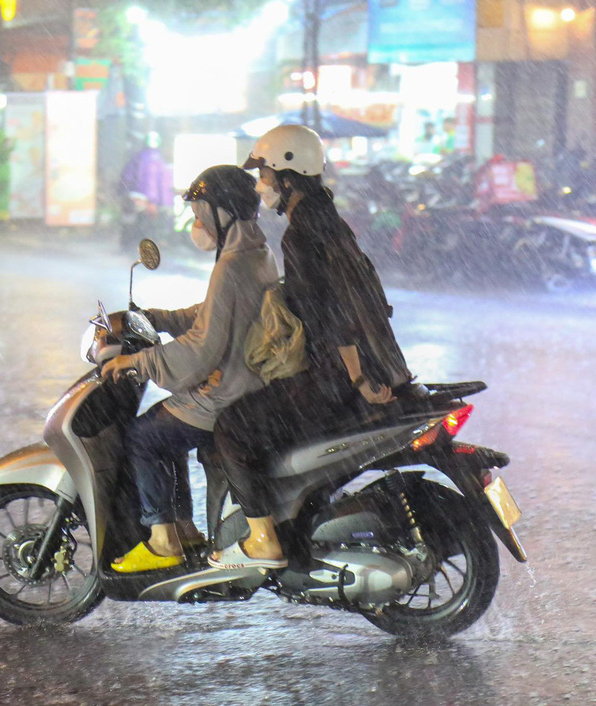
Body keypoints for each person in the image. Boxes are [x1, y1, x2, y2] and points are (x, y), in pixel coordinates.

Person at [209, 125, 414, 570]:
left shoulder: (301, 234)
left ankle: (263, 538)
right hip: (370, 367)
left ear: (287, 174)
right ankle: (293, 519)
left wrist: (357, 379)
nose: (261, 184)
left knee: (233, 427)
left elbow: (336, 314)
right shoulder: (329, 221)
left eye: (264, 173)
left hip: (333, 378)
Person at [101, 165, 280, 573]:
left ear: (225, 212)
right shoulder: (254, 252)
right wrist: (155, 318)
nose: (197, 223)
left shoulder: (232, 265)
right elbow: (211, 316)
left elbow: (203, 346)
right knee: (164, 428)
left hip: (229, 389)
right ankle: (185, 528)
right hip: (243, 378)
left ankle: (164, 540)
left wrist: (138, 361)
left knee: (143, 437)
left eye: (202, 213)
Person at [118, 132, 172, 251]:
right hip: (147, 200)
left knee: (131, 221)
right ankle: (142, 246)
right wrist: (152, 201)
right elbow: (151, 183)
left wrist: (125, 192)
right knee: (146, 223)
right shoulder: (156, 160)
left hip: (134, 196)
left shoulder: (137, 157)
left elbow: (126, 177)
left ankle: (128, 244)